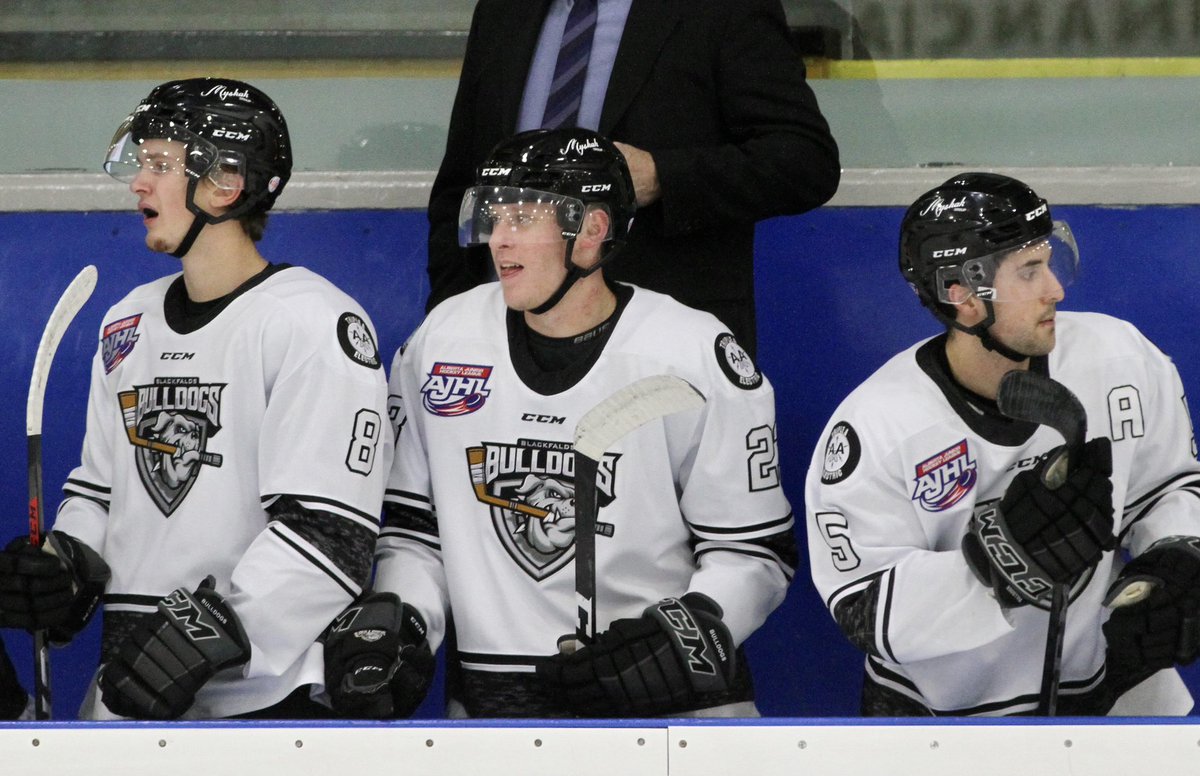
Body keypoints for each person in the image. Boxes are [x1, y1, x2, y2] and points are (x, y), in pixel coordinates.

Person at [322, 127, 797, 719]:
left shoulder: (690, 351)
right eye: (494, 217)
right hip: (492, 705)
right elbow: (415, 534)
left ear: (591, 230)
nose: (498, 239)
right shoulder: (444, 340)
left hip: (671, 712)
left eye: (522, 218)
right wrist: (403, 620)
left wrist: (678, 639)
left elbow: (755, 554)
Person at [0, 78, 391, 720]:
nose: (138, 183)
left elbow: (328, 534)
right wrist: (63, 568)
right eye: (141, 163)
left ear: (223, 183)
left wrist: (195, 648)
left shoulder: (311, 321)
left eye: (159, 164)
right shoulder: (128, 321)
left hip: (260, 705)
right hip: (126, 692)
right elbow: (101, 493)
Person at [804, 172, 1200, 716]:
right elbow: (860, 607)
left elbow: (1172, 486)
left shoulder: (1120, 357)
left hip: (1116, 688)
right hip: (948, 722)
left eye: (1049, 263)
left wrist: (1176, 554)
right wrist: (996, 565)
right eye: (1029, 272)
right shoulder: (876, 427)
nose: (1055, 289)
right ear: (962, 295)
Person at [425, 0, 841, 357]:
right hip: (504, 347)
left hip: (660, 351)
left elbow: (806, 160)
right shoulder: (504, 11)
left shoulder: (721, 8)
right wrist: (449, 322)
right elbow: (461, 183)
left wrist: (661, 175)